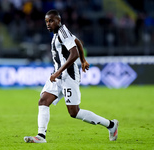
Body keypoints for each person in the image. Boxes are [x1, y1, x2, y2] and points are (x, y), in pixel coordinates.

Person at [24, 9, 118, 143]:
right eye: (46, 21)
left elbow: (73, 54)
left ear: (59, 21)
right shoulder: (60, 33)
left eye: (51, 21)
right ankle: (41, 136)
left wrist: (59, 71)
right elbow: (77, 41)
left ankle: (111, 125)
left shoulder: (62, 32)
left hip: (68, 76)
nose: (48, 24)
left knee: (74, 113)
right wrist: (84, 60)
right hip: (58, 76)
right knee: (43, 101)